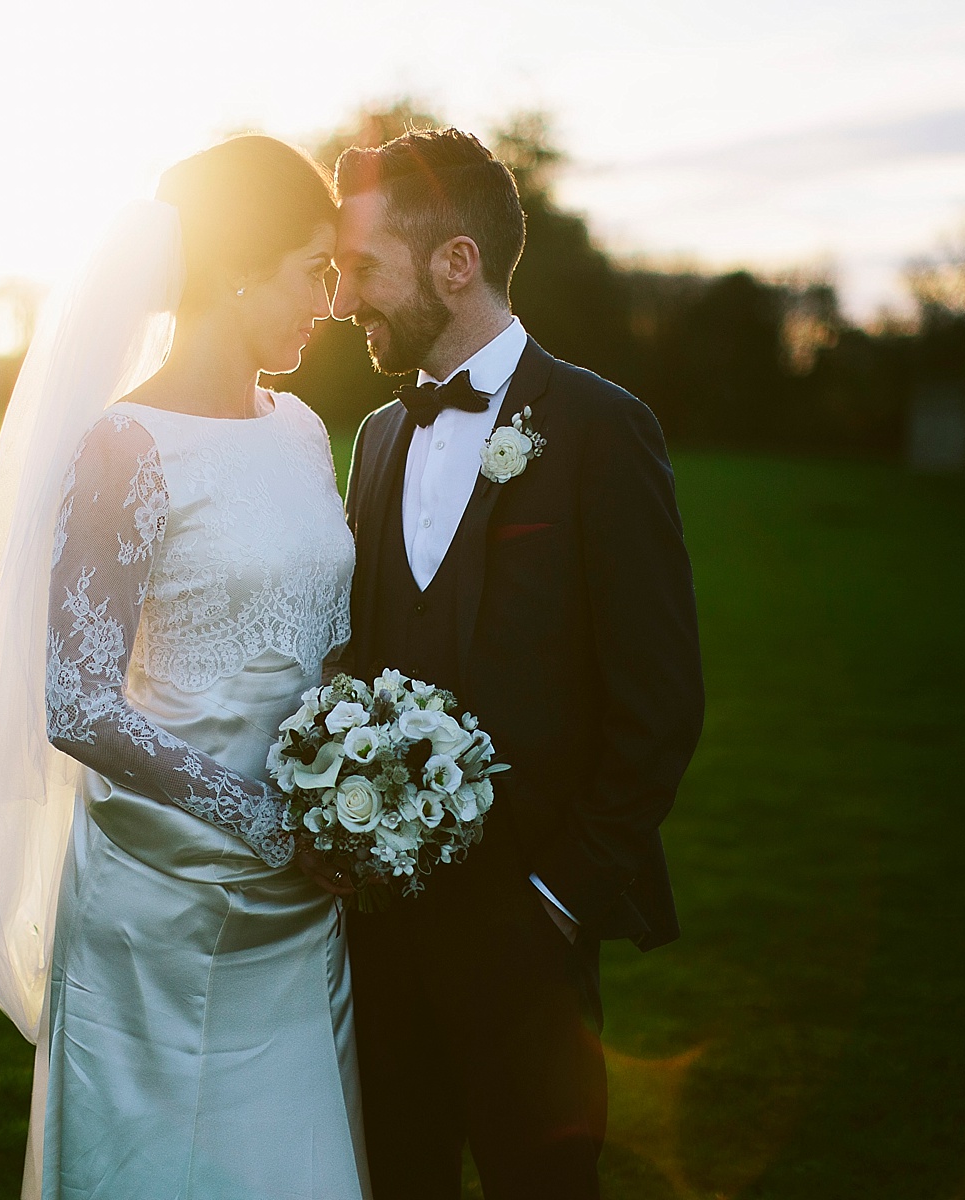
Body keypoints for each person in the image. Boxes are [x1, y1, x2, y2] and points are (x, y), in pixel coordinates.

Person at [0, 136, 368, 1199]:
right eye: (311, 271)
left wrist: (367, 781)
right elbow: (79, 702)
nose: (329, 300)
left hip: (303, 904)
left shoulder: (301, 428)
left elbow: (327, 633)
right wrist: (276, 824)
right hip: (163, 902)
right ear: (237, 269)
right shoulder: (123, 446)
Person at [320, 128, 705, 1200]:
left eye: (363, 270)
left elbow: (661, 702)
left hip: (530, 942)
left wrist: (558, 898)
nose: (347, 299)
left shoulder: (600, 428)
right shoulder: (379, 441)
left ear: (456, 263)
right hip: (385, 943)